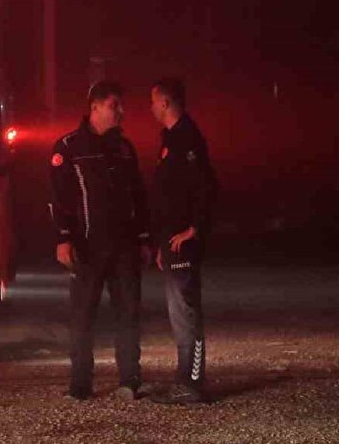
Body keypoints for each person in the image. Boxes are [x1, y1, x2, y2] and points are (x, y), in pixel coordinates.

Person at [50, 80, 151, 401]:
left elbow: (139, 197)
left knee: (128, 312)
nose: (120, 112)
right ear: (94, 106)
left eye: (120, 106)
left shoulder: (124, 149)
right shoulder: (67, 148)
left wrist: (144, 238)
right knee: (82, 316)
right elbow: (58, 198)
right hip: (88, 246)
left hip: (124, 247)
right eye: (114, 105)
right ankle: (80, 385)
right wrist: (63, 238)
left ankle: (130, 379)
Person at [148, 78, 218, 405]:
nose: (150, 108)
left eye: (153, 102)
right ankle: (183, 378)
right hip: (170, 241)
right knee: (178, 313)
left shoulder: (188, 139)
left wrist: (195, 229)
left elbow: (205, 186)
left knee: (188, 311)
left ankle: (193, 382)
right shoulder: (171, 139)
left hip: (183, 242)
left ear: (165, 102)